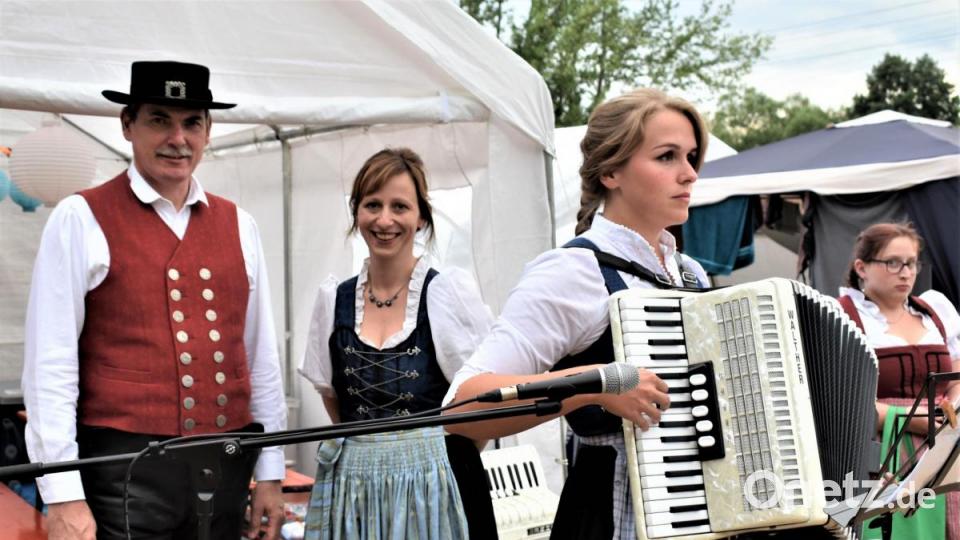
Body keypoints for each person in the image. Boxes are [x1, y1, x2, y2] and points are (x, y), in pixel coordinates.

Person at [21, 61, 288, 540]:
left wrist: (270, 472)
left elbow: (259, 356)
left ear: (208, 131)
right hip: (125, 473)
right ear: (128, 125)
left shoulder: (240, 224)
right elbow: (50, 365)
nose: (177, 138)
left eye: (191, 123)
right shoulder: (80, 217)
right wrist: (62, 493)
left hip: (225, 469)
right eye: (159, 119)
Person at [444, 88, 710, 539]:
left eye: (691, 157)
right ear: (611, 171)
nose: (688, 174)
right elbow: (464, 405)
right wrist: (595, 386)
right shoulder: (574, 272)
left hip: (699, 517)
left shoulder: (691, 275)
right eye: (667, 157)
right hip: (609, 519)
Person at [298, 148, 498, 540]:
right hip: (356, 490)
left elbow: (481, 402)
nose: (384, 220)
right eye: (373, 204)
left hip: (439, 485)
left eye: (400, 206)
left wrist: (426, 460)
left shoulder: (447, 294)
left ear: (421, 217)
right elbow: (333, 399)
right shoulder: (333, 301)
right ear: (357, 212)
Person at [837, 222, 960, 540]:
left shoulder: (936, 312)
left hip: (944, 450)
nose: (906, 272)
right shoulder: (843, 317)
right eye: (893, 262)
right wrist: (911, 420)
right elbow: (840, 398)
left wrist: (954, 412)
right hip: (882, 451)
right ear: (862, 267)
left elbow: (957, 376)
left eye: (912, 263)